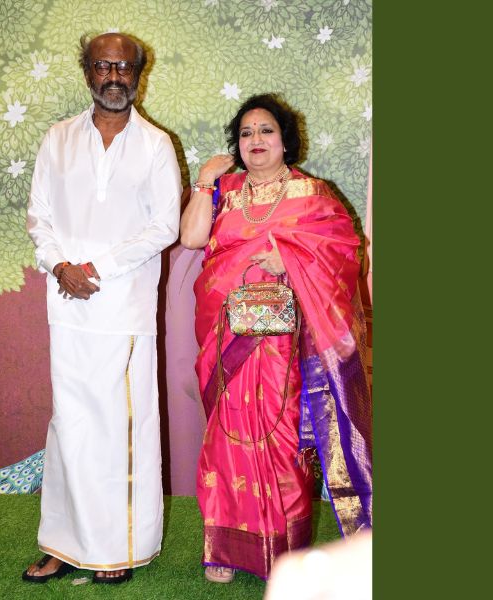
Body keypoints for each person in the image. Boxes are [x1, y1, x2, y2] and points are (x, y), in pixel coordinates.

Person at [179, 93, 372, 583]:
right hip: (227, 337)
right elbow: (193, 238)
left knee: (282, 443)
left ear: (285, 140)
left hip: (286, 345)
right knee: (226, 439)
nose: (256, 140)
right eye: (246, 133)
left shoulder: (312, 193)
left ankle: (282, 553)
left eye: (266, 130)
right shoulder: (227, 190)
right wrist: (206, 179)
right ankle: (224, 550)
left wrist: (293, 259)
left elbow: (345, 251)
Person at [23, 32, 181, 585]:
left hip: (125, 310)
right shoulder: (57, 138)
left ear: (139, 73)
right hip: (68, 306)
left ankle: (117, 548)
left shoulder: (156, 145)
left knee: (121, 427)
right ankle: (63, 544)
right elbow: (39, 217)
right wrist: (60, 266)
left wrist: (95, 268)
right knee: (70, 425)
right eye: (103, 66)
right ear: (87, 71)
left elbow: (164, 226)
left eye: (124, 67)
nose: (114, 76)